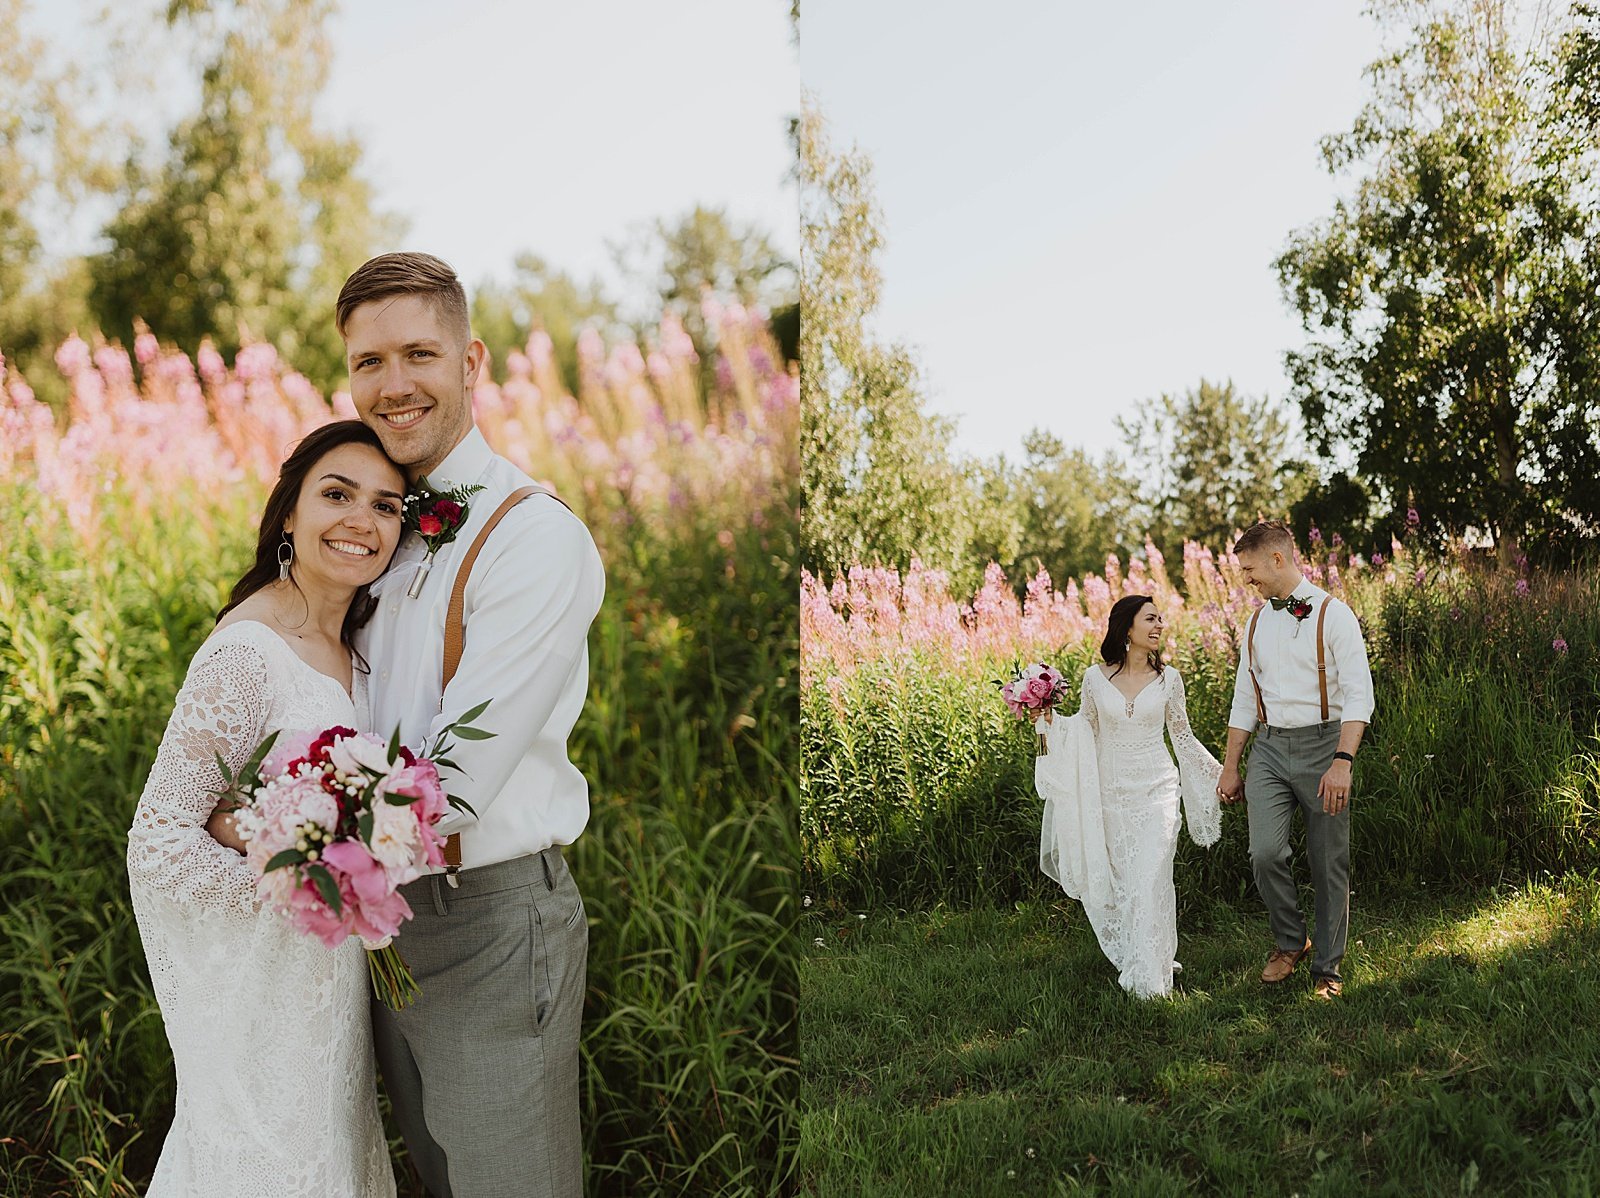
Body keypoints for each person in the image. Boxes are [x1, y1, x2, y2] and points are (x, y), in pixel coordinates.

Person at [339, 252, 605, 1198]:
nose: (394, 384)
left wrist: (283, 834)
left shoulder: (533, 536)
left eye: (419, 353)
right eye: (369, 362)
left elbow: (452, 781)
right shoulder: (367, 526)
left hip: (487, 918)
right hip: (375, 916)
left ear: (472, 362)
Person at [127, 419, 405, 1196]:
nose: (361, 520)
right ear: (290, 513)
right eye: (337, 494)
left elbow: (250, 805)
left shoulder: (361, 644)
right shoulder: (247, 651)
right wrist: (298, 868)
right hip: (262, 992)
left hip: (332, 992)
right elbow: (156, 839)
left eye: (386, 506)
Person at [1216, 520, 1374, 1000]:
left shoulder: (1334, 614)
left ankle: (1329, 967)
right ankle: (1291, 942)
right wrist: (1230, 764)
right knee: (1264, 853)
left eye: (1249, 569)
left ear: (1278, 560)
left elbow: (1359, 695)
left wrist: (1343, 761)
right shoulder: (1255, 622)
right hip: (1268, 748)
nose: (1246, 579)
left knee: (1328, 861)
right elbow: (1245, 697)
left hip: (1326, 745)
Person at [1035, 593, 1221, 998]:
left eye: (1160, 620)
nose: (1159, 627)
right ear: (1127, 627)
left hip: (1157, 792)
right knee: (1126, 887)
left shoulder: (1170, 680)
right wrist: (1046, 724)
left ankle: (1151, 981)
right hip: (1111, 797)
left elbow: (1183, 738)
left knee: (1151, 879)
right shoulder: (1094, 679)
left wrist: (1219, 775)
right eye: (1150, 619)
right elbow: (1084, 733)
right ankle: (1143, 956)